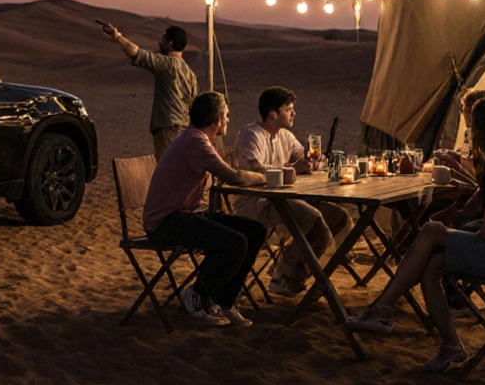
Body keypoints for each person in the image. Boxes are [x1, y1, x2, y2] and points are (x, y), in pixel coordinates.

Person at [345, 96, 485, 373]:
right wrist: (460, 224)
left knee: (430, 230)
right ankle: (451, 346)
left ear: (483, 130)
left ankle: (382, 309)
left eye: (473, 127)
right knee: (431, 267)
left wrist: (452, 233)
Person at [144, 91, 267, 327]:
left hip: (189, 214)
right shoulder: (195, 142)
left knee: (255, 231)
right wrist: (265, 177)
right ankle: (198, 293)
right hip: (166, 221)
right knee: (234, 242)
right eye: (227, 115)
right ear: (217, 119)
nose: (229, 120)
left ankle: (225, 301)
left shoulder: (197, 139)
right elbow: (234, 177)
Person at [233, 87, 351, 298]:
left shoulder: (285, 136)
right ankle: (284, 275)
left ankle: (294, 273)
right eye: (288, 109)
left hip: (285, 198)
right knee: (311, 217)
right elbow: (255, 170)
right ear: (273, 114)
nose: (293, 113)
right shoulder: (252, 135)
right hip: (257, 202)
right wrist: (294, 169)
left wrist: (315, 161)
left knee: (339, 217)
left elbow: (305, 157)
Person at [100, 22, 197, 159]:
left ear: (170, 43)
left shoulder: (167, 64)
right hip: (184, 128)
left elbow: (136, 52)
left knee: (168, 169)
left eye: (163, 37)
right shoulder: (189, 73)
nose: (160, 41)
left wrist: (117, 36)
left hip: (168, 128)